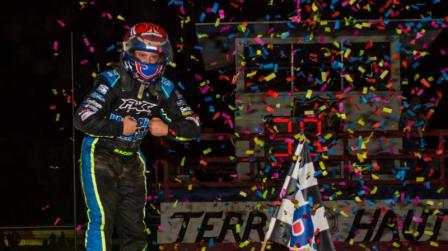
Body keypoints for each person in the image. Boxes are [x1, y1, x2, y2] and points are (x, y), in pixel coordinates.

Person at [74, 22, 200, 251]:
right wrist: (118, 127)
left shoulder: (165, 87)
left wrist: (169, 130)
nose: (148, 63)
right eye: (143, 55)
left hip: (132, 159)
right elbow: (82, 117)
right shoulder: (112, 79)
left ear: (163, 59)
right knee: (102, 220)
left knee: (134, 227)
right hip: (99, 154)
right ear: (130, 53)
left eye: (154, 58)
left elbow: (193, 124)